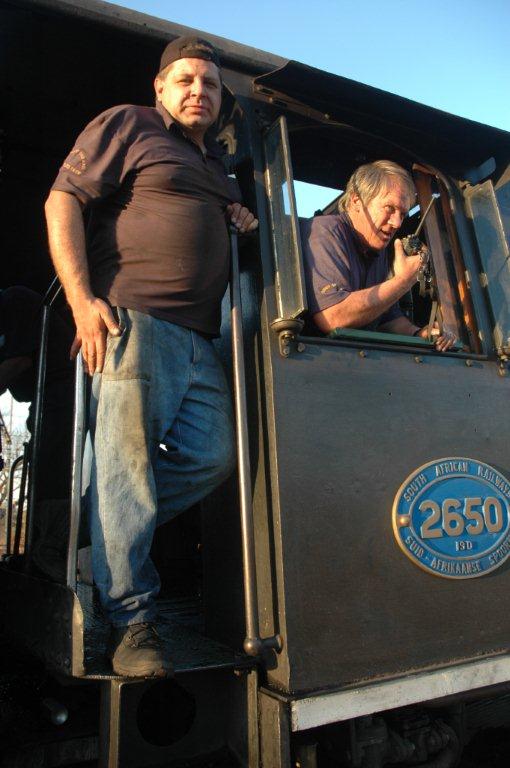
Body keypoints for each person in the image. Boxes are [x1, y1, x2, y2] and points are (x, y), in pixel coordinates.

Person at [44, 36, 258, 677]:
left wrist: (237, 220)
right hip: (135, 324)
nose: (200, 91)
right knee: (126, 470)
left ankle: (96, 534)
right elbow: (63, 199)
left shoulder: (217, 169)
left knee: (216, 457)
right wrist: (84, 301)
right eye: (186, 80)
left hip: (201, 340)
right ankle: (132, 624)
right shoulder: (131, 124)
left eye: (211, 85)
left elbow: (207, 219)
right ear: (160, 88)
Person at [300, 160, 455, 352]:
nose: (397, 223)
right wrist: (403, 281)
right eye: (389, 208)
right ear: (357, 201)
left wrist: (421, 333)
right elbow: (332, 317)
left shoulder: (377, 250)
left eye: (403, 214)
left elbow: (388, 319)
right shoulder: (325, 232)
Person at [0, 286, 75, 580]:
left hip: (66, 387)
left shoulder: (14, 302)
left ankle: (50, 548)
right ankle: (41, 546)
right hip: (43, 397)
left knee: (52, 461)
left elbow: (19, 361)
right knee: (41, 460)